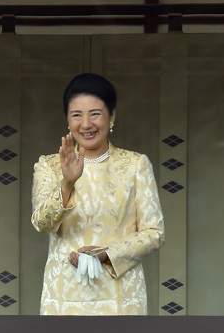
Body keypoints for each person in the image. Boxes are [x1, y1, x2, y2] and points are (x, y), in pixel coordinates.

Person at [33, 73, 165, 315]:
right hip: (64, 296)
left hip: (120, 297)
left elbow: (154, 233)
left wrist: (107, 253)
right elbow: (42, 223)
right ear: (67, 120)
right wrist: (67, 183)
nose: (86, 124)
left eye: (95, 114)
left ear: (112, 116)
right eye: (76, 115)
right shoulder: (49, 166)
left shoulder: (135, 165)